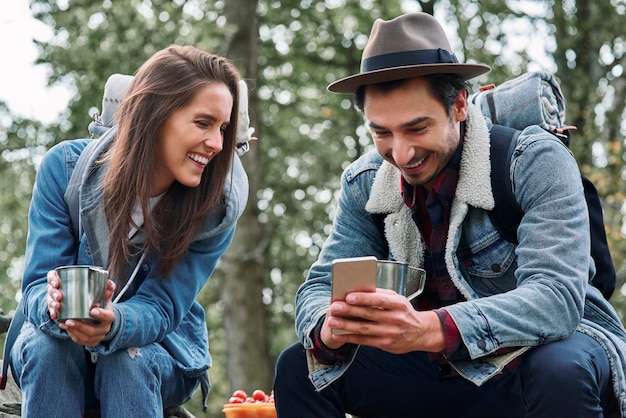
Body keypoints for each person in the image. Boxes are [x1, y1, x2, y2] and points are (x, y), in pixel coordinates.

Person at [273, 12, 626, 418]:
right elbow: (318, 286)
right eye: (382, 133)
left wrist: (433, 328)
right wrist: (328, 327)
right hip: (441, 371)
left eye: (417, 128)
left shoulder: (533, 161)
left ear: (458, 104)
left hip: (541, 356)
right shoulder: (365, 183)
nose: (401, 153)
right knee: (299, 366)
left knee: (558, 370)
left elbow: (556, 301)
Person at [8, 45, 249, 416]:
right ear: (154, 115)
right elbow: (37, 285)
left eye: (223, 129)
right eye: (203, 123)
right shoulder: (63, 169)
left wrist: (114, 324)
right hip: (56, 347)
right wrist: (54, 305)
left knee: (125, 359)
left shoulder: (216, 207)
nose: (217, 144)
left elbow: (162, 305)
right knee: (46, 348)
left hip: (157, 352)